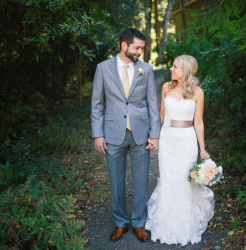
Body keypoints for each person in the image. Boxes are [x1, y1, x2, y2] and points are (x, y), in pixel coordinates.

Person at [91, 28, 161, 242]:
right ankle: (120, 222)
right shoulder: (103, 69)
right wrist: (97, 134)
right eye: (137, 47)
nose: (140, 51)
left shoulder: (146, 70)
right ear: (124, 45)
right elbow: (97, 104)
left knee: (141, 181)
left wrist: (155, 134)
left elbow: (152, 103)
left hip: (140, 133)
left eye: (142, 48)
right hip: (113, 133)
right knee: (116, 181)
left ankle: (139, 223)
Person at [145, 55, 215, 246]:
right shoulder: (166, 87)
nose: (171, 69)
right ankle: (164, 227)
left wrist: (203, 149)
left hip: (187, 141)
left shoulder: (198, 93)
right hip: (168, 140)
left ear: (185, 70)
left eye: (175, 67)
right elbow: (161, 114)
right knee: (168, 180)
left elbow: (198, 122)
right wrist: (155, 137)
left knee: (185, 182)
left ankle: (185, 228)